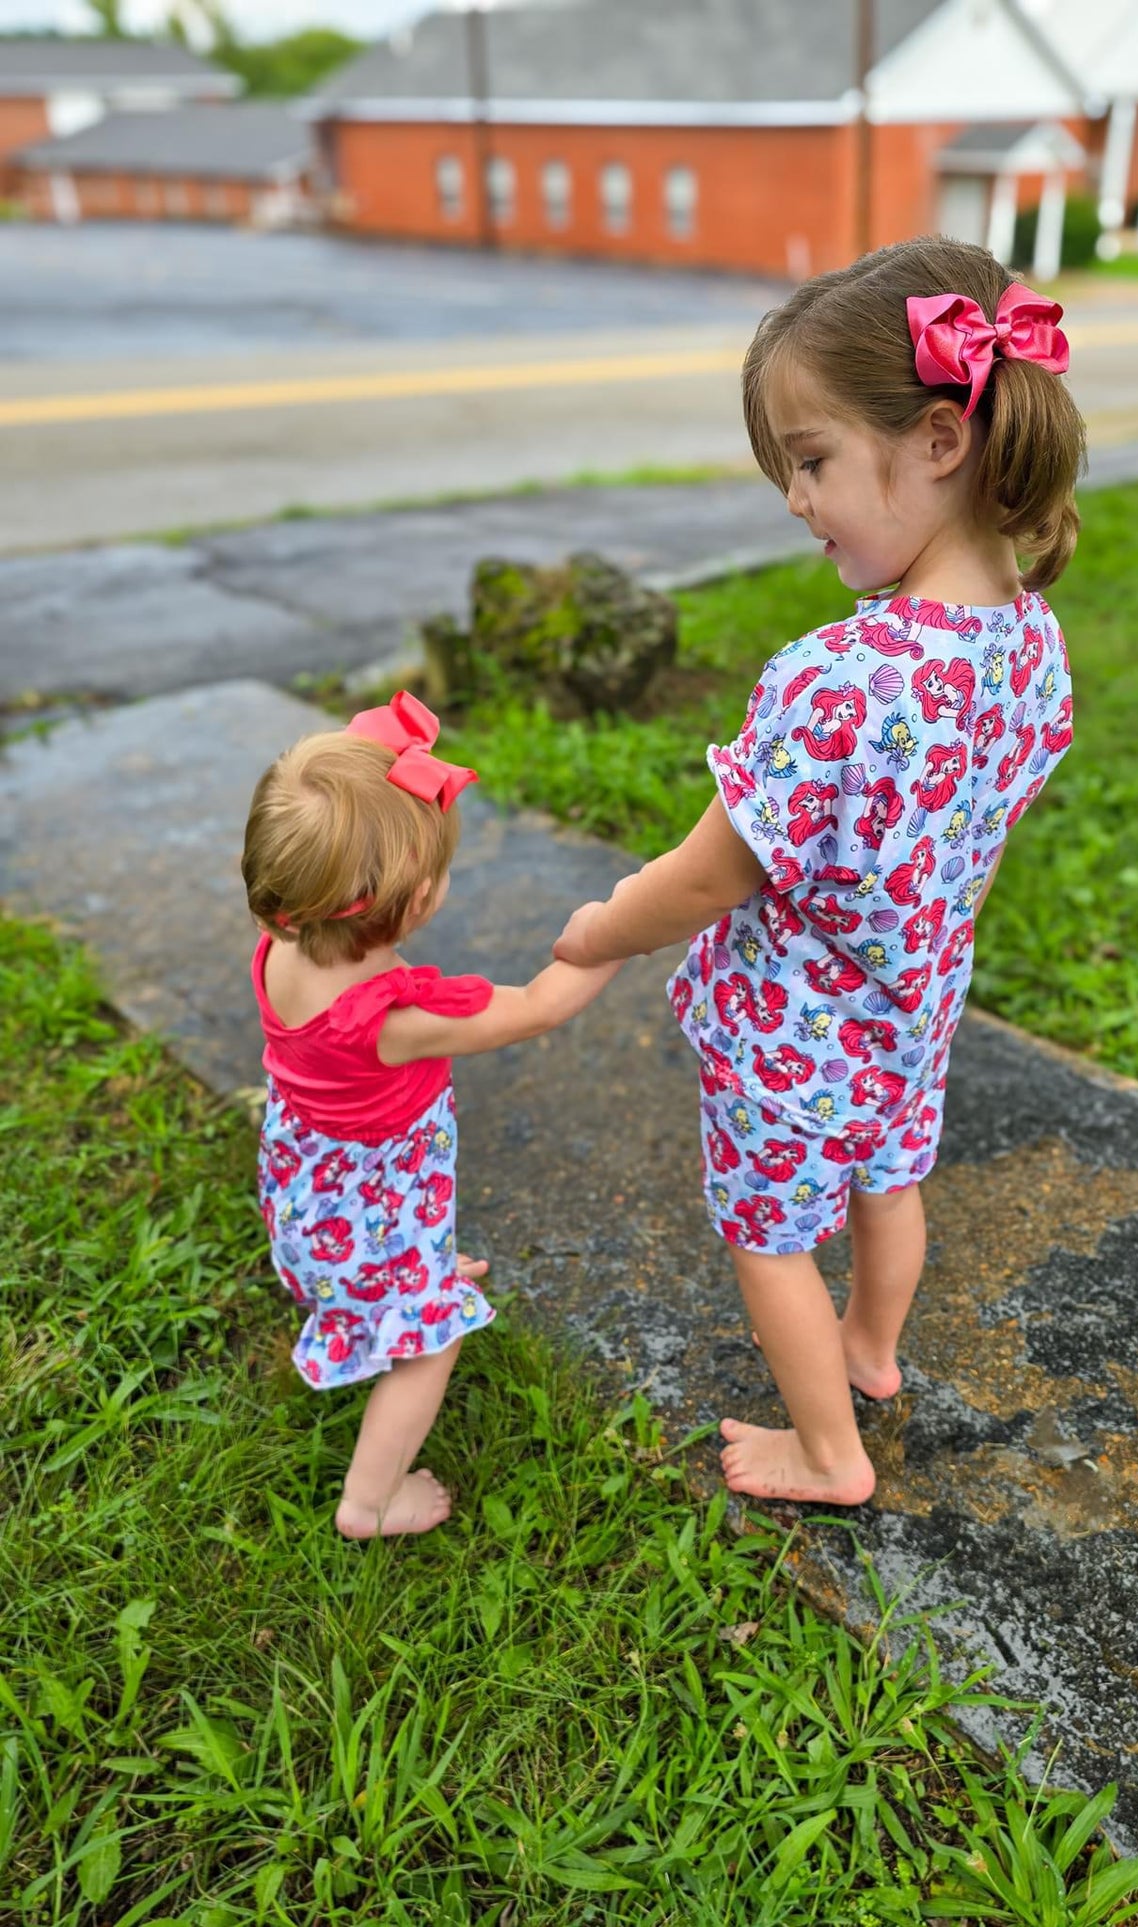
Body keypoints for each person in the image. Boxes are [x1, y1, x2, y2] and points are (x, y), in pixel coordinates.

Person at [554, 237, 1084, 1505]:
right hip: (911, 1014)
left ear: (940, 443)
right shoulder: (1031, 645)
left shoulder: (841, 679)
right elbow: (980, 833)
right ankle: (872, 1353)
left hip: (791, 1042)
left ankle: (826, 1451)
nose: (796, 499)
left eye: (811, 461)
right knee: (890, 1184)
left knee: (769, 1242)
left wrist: (598, 929)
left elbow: (705, 873)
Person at [243, 692, 618, 1539]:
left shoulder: (279, 946)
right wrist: (613, 938)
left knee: (402, 1264)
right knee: (429, 1347)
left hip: (314, 1177)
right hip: (375, 1192)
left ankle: (402, 1276)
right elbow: (534, 1007)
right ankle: (370, 1501)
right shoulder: (392, 1018)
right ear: (414, 903)